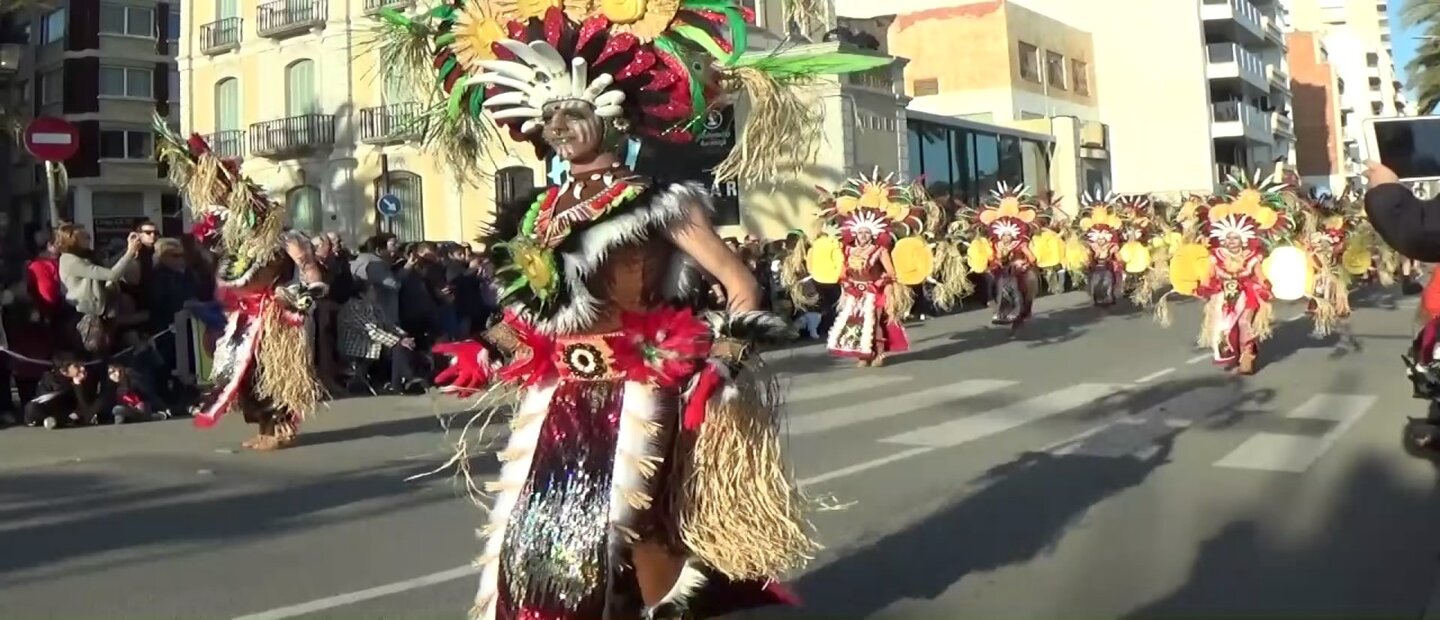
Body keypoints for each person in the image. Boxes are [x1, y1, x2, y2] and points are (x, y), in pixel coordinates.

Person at [373, 2, 887, 617]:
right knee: (539, 533)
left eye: (573, 111)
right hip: (557, 394)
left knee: (637, 526)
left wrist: (722, 370)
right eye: (549, 115)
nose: (559, 125)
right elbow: (539, 311)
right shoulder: (539, 212)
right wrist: (486, 348)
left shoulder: (657, 200)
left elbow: (739, 283)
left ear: (612, 117)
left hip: (639, 387)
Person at [152, 117, 328, 451]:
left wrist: (301, 295)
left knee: (273, 373)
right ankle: (265, 426)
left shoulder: (282, 235)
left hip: (275, 315)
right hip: (243, 316)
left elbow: (310, 271)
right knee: (241, 373)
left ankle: (283, 428)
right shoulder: (234, 240)